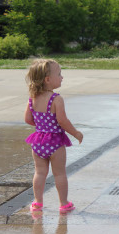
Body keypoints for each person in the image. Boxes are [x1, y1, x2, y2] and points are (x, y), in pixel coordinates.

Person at [25, 59, 83, 213]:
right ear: (48, 79)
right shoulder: (56, 99)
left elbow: (28, 119)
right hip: (55, 142)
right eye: (59, 74)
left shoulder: (33, 97)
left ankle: (37, 203)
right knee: (59, 173)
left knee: (39, 172)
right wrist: (76, 133)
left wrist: (42, 127)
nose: (62, 77)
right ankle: (64, 204)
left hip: (38, 141)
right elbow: (62, 121)